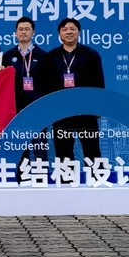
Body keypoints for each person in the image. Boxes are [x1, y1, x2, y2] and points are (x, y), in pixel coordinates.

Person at [36, 17, 105, 162]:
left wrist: (98, 107)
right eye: (65, 29)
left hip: (86, 111)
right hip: (61, 111)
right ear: (59, 34)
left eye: (73, 29)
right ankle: (66, 176)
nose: (69, 32)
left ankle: (96, 176)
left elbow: (98, 81)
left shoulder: (91, 54)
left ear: (79, 32)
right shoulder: (50, 57)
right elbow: (44, 84)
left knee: (92, 149)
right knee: (63, 152)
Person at [2, 16, 47, 112]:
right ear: (16, 33)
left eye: (27, 29)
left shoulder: (43, 55)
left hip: (36, 105)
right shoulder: (8, 55)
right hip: (13, 105)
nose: (23, 32)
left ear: (33, 32)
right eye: (20, 29)